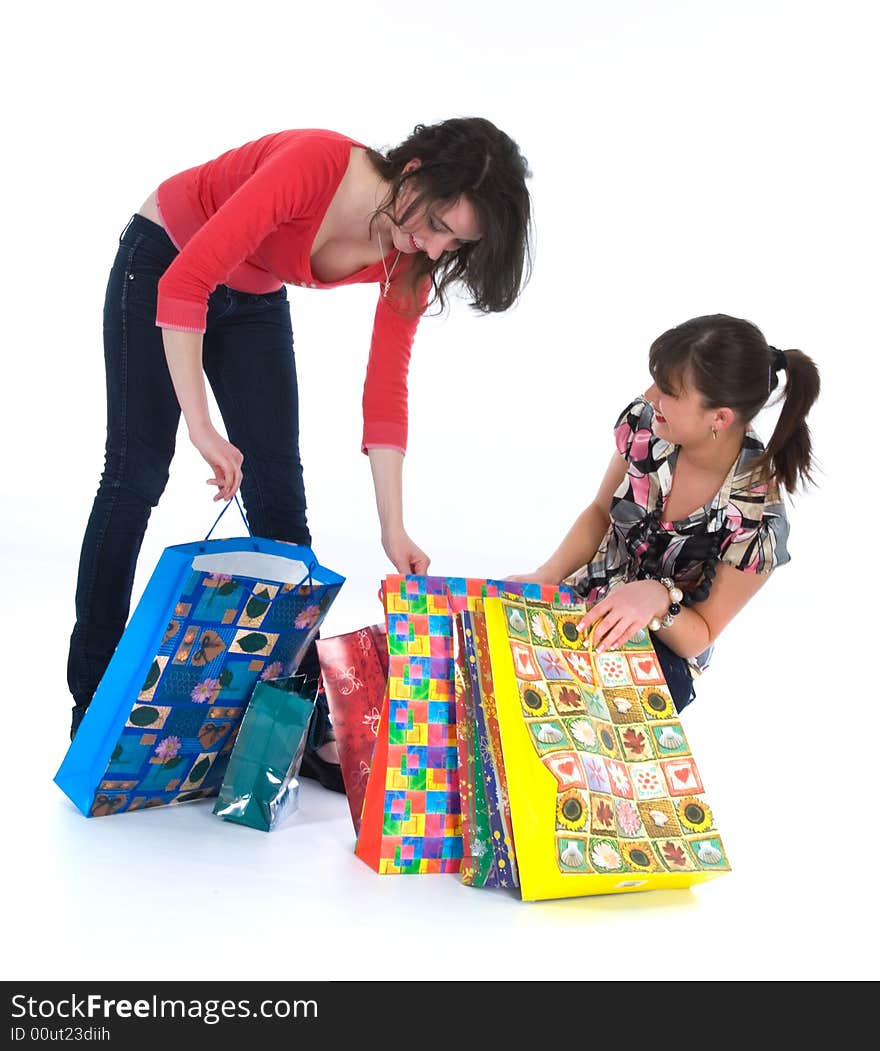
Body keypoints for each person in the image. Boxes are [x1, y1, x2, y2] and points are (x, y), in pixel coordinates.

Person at [67, 118, 534, 790]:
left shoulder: (412, 258)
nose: (434, 245)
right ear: (412, 170)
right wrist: (201, 425)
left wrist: (392, 527)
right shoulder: (316, 163)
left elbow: (384, 392)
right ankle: (92, 705)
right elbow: (187, 282)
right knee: (136, 472)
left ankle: (296, 725)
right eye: (436, 222)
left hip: (251, 291)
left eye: (455, 241)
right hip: (167, 254)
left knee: (282, 506)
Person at [508, 313, 820, 712]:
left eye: (669, 390)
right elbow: (601, 512)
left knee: (576, 724)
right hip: (588, 598)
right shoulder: (650, 425)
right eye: (657, 380)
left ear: (720, 418)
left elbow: (701, 633)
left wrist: (659, 598)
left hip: (662, 647)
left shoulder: (757, 518)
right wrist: (547, 576)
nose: (651, 397)